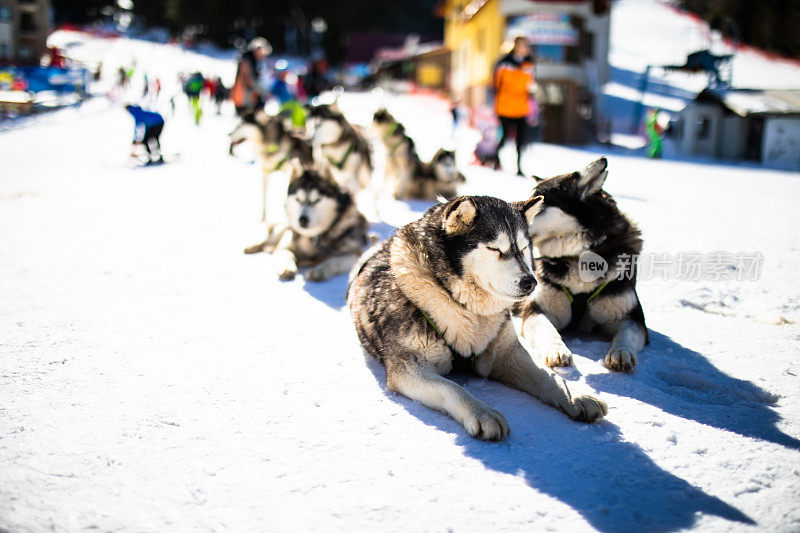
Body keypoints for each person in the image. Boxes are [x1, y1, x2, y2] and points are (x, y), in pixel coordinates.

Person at [492, 36, 535, 176]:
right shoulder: (503, 63)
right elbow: (496, 85)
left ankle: (519, 167)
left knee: (521, 139)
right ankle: (495, 158)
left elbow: (530, 86)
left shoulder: (529, 65)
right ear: (516, 46)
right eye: (523, 46)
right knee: (504, 137)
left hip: (521, 107)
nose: (526, 49)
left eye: (527, 46)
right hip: (505, 106)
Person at [231, 37, 272, 121]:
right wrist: (263, 93)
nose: (263, 56)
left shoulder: (253, 61)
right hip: (243, 99)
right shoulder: (246, 60)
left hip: (248, 98)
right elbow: (250, 80)